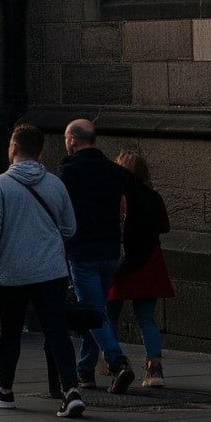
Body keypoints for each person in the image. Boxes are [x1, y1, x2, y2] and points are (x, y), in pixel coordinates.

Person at [0, 123, 86, 419]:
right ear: (40, 153)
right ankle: (70, 391)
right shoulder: (55, 184)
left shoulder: (0, 185)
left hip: (10, 272)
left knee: (10, 331)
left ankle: (5, 389)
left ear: (12, 148)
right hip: (51, 271)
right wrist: (47, 246)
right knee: (55, 330)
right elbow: (70, 227)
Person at [59, 118, 136, 393]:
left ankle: (117, 363)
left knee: (93, 312)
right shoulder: (115, 172)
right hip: (110, 251)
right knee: (97, 310)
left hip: (83, 252)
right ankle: (85, 369)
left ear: (72, 140)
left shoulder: (67, 174)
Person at [109, 150, 174, 388]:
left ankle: (113, 363)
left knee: (110, 317)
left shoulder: (118, 196)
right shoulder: (153, 197)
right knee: (146, 318)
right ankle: (155, 369)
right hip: (148, 263)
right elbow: (164, 226)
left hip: (121, 264)